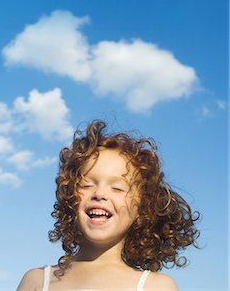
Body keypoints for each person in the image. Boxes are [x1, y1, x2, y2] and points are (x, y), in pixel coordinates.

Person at [17, 120, 200, 291]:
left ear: (143, 210)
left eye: (118, 188)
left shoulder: (155, 286)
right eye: (86, 185)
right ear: (70, 198)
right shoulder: (36, 281)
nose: (99, 194)